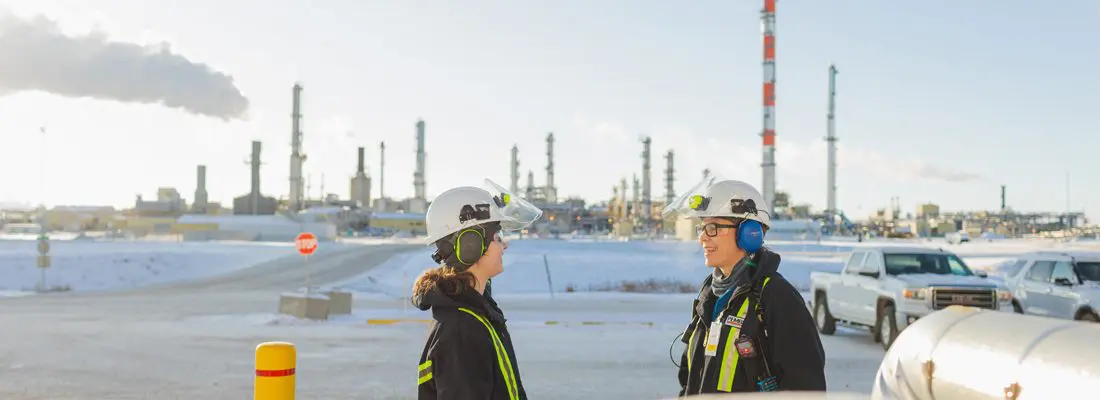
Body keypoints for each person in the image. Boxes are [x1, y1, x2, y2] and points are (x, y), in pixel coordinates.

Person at [664, 176, 826, 395]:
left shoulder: (776, 297)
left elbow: (807, 390)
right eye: (702, 228)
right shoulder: (709, 293)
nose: (702, 237)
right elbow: (690, 378)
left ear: (748, 233)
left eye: (712, 228)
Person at [413, 180, 543, 400]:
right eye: (497, 237)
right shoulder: (462, 329)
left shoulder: (475, 314)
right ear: (471, 245)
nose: (504, 245)